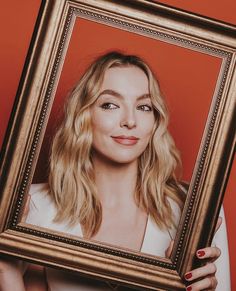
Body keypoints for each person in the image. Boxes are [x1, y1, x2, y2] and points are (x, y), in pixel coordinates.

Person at [0, 51, 230, 290]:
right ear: (84, 116)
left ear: (155, 121)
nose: (130, 121)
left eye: (144, 106)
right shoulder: (31, 205)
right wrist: (4, 268)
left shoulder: (195, 210)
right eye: (110, 105)